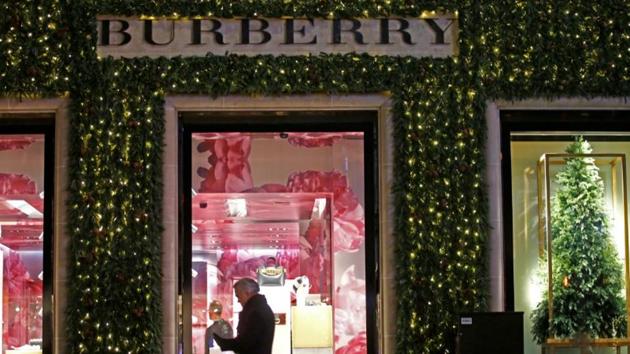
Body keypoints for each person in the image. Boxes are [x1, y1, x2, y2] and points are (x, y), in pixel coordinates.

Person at [213, 278, 275, 354]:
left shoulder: (255, 312)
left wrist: (222, 342)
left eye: (238, 296)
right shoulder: (261, 308)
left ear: (247, 293)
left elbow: (246, 343)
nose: (238, 300)